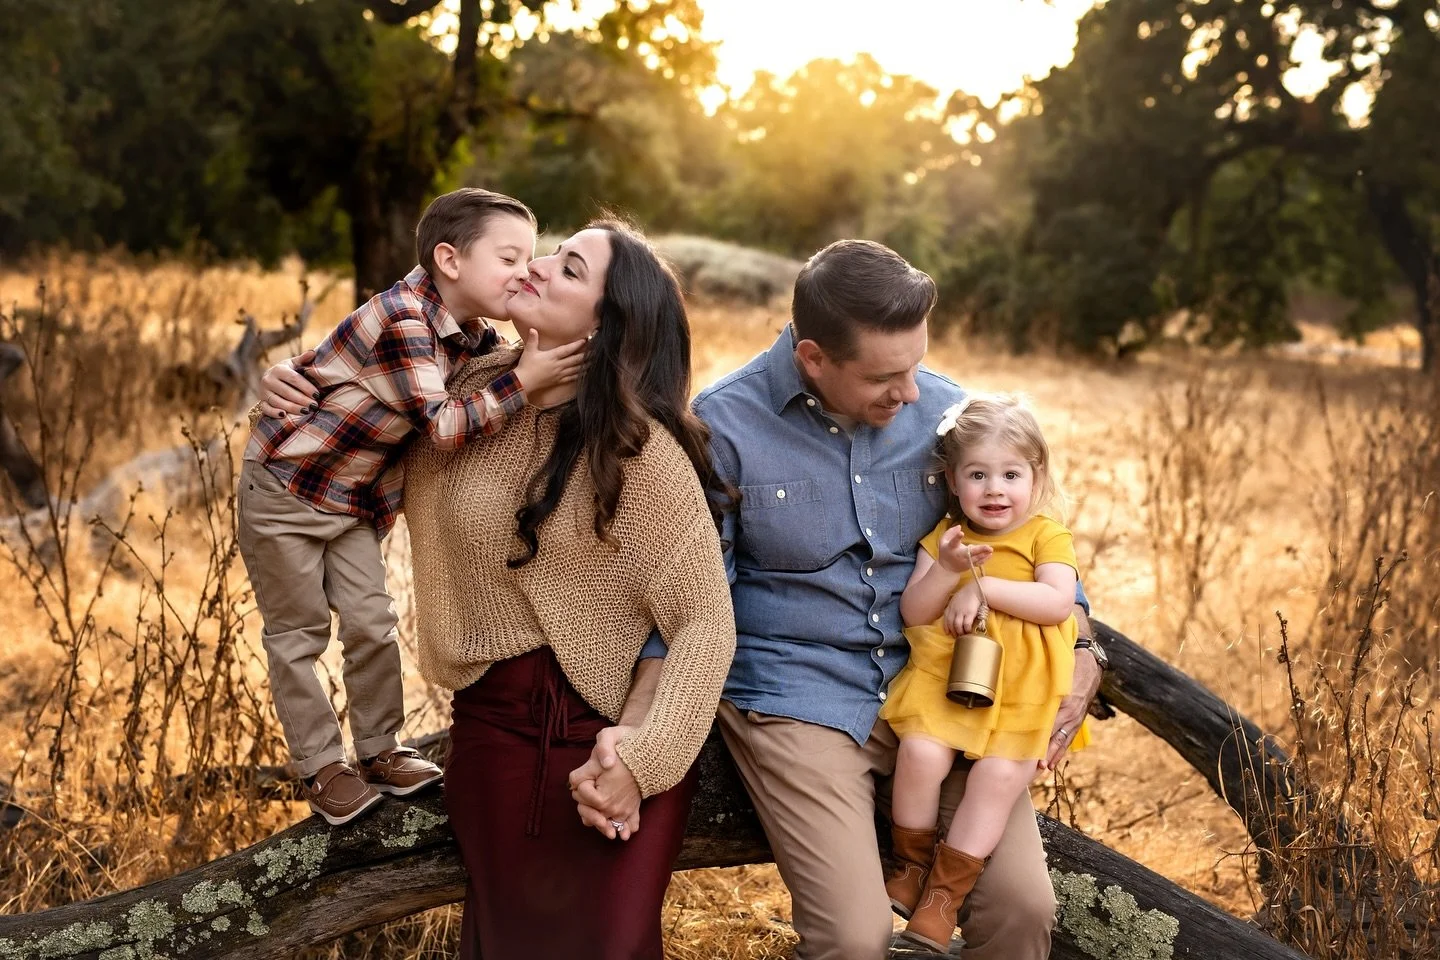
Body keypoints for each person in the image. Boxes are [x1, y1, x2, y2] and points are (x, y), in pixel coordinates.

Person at [576, 239, 1107, 960]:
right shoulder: (724, 425)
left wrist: (1082, 644)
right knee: (855, 942)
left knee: (1020, 909)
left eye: (917, 365)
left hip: (941, 689)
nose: (912, 393)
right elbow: (689, 603)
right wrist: (643, 737)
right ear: (814, 357)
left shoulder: (949, 415)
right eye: (886, 377)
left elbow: (1030, 539)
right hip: (797, 696)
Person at [261, 218, 737, 959]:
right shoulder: (465, 385)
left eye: (570, 269)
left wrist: (645, 762)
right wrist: (292, 378)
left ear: (605, 324)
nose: (538, 267)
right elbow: (362, 380)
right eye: (549, 251)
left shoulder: (638, 448)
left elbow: (704, 621)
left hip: (605, 744)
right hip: (492, 741)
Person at [239, 188, 586, 826]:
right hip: (288, 487)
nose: (525, 271)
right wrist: (526, 381)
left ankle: (379, 749)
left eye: (531, 259)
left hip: (353, 500)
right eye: (510, 258)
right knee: (298, 633)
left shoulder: (470, 332)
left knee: (373, 621)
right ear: (450, 261)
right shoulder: (403, 318)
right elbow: (446, 427)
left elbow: (498, 367)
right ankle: (320, 766)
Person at [881, 392, 1091, 952]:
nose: (994, 489)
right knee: (921, 754)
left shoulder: (1047, 535)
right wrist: (948, 573)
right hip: (950, 677)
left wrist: (985, 587)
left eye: (1010, 474)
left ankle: (943, 899)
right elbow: (914, 611)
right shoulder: (950, 541)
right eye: (978, 474)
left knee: (997, 780)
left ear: (1036, 476)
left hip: (1022, 687)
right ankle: (910, 864)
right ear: (952, 481)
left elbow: (1055, 603)